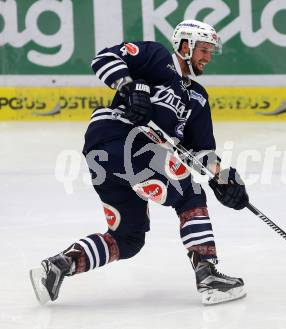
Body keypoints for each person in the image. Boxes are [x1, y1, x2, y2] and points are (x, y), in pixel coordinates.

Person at [29, 20, 249, 305]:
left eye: (210, 52)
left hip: (114, 162)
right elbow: (105, 58)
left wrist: (224, 179)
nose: (208, 57)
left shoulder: (198, 98)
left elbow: (201, 152)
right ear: (185, 46)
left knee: (128, 238)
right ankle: (207, 275)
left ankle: (59, 266)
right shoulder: (157, 57)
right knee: (189, 193)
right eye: (203, 50)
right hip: (118, 139)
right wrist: (130, 87)